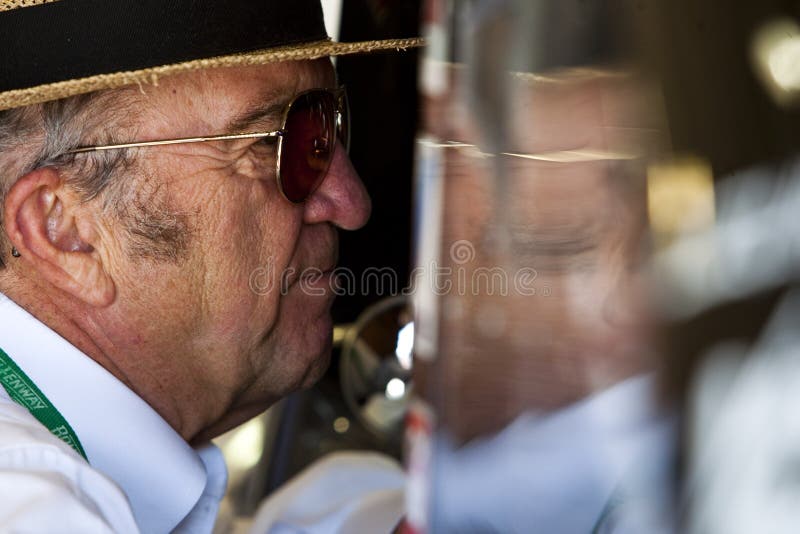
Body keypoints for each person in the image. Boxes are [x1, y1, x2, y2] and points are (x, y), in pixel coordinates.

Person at [0, 1, 419, 532]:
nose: (350, 203)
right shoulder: (29, 500)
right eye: (283, 146)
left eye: (331, 128)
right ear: (66, 232)